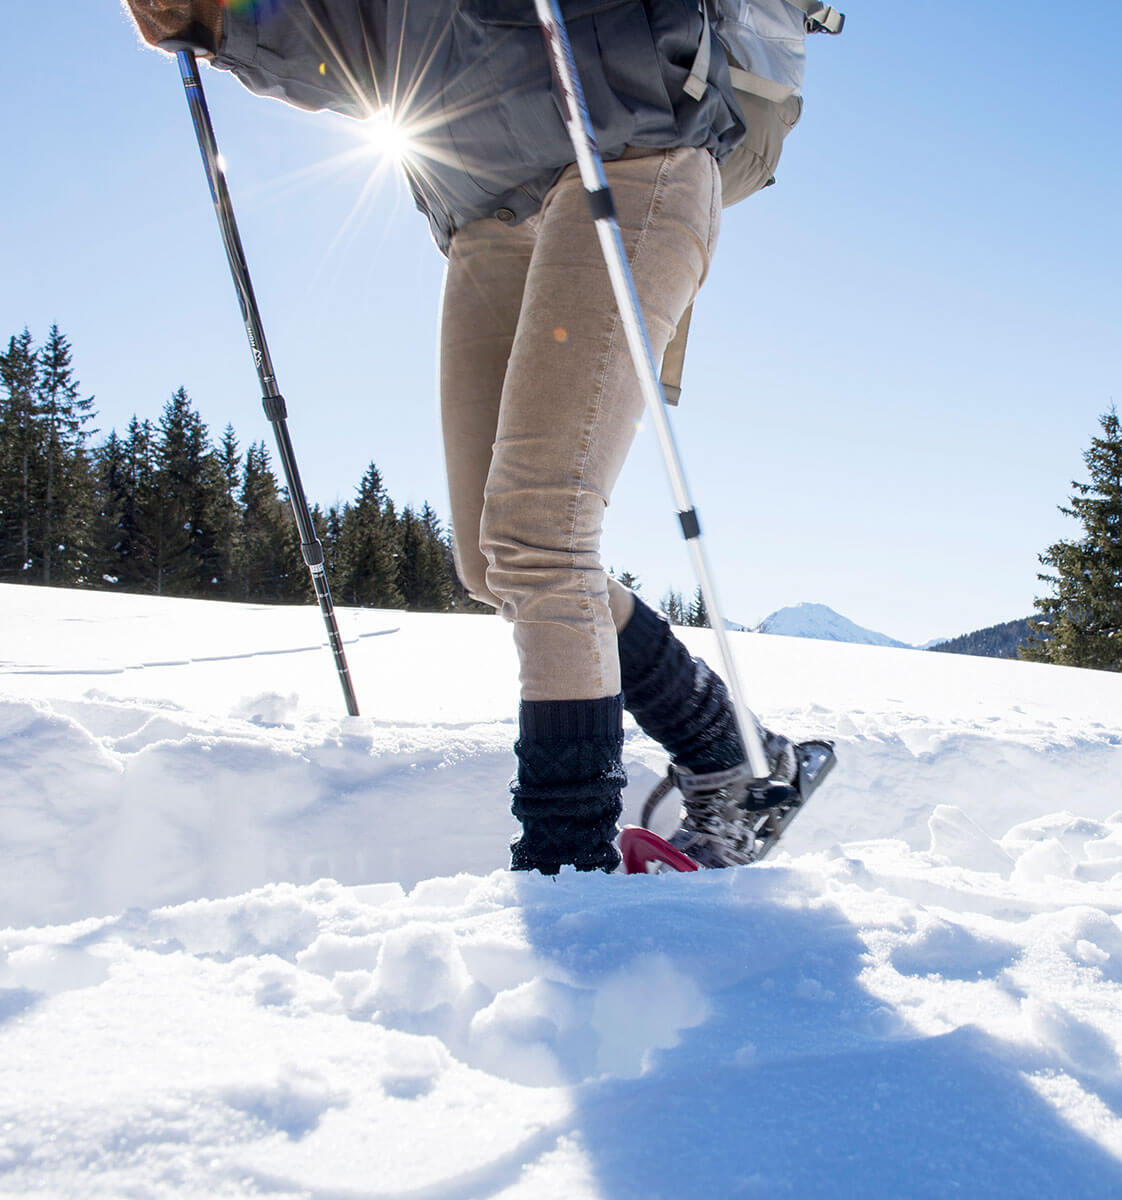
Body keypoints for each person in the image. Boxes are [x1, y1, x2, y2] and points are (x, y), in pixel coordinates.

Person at [124, 0, 799, 873]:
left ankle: (567, 878)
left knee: (540, 540)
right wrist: (218, 20)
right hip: (482, 208)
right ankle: (734, 752)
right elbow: (357, 43)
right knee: (494, 562)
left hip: (627, 146)